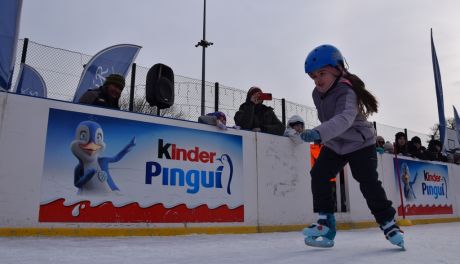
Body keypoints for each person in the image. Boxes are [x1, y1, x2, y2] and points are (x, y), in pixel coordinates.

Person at [289, 44, 404, 248]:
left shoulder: (346, 91)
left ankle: (388, 222)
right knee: (319, 174)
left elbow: (344, 118)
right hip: (336, 143)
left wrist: (319, 133)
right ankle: (326, 222)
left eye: (322, 73)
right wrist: (324, 136)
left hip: (360, 143)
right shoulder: (317, 94)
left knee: (367, 181)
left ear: (338, 69)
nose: (318, 80)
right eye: (313, 76)